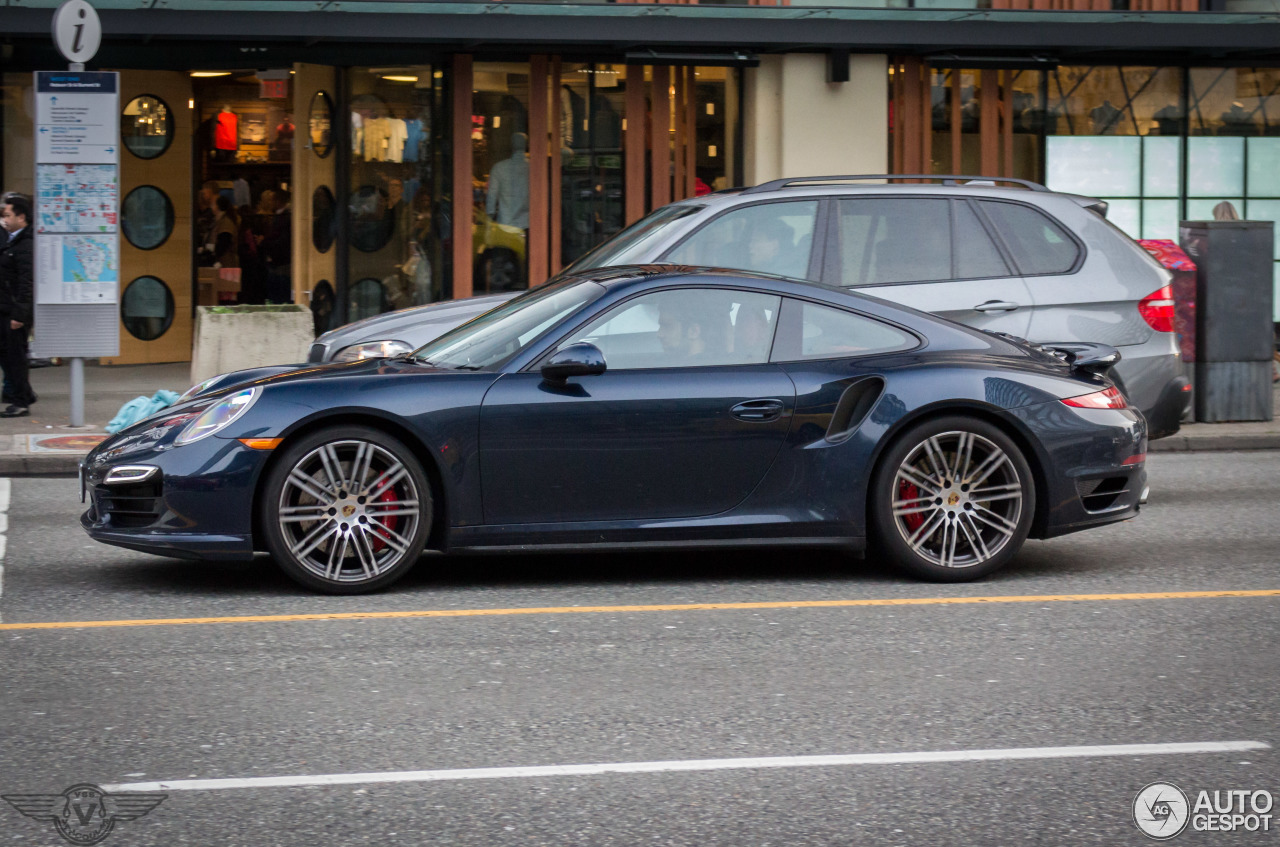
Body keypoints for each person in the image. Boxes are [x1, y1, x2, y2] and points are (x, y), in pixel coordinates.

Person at [0, 192, 37, 417]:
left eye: (7, 215)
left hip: (14, 312)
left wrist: (19, 315)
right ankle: (23, 394)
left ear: (21, 217)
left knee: (15, 357)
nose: (5, 219)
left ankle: (21, 401)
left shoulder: (25, 245)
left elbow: (26, 282)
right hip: (7, 309)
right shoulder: (13, 239)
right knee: (9, 356)